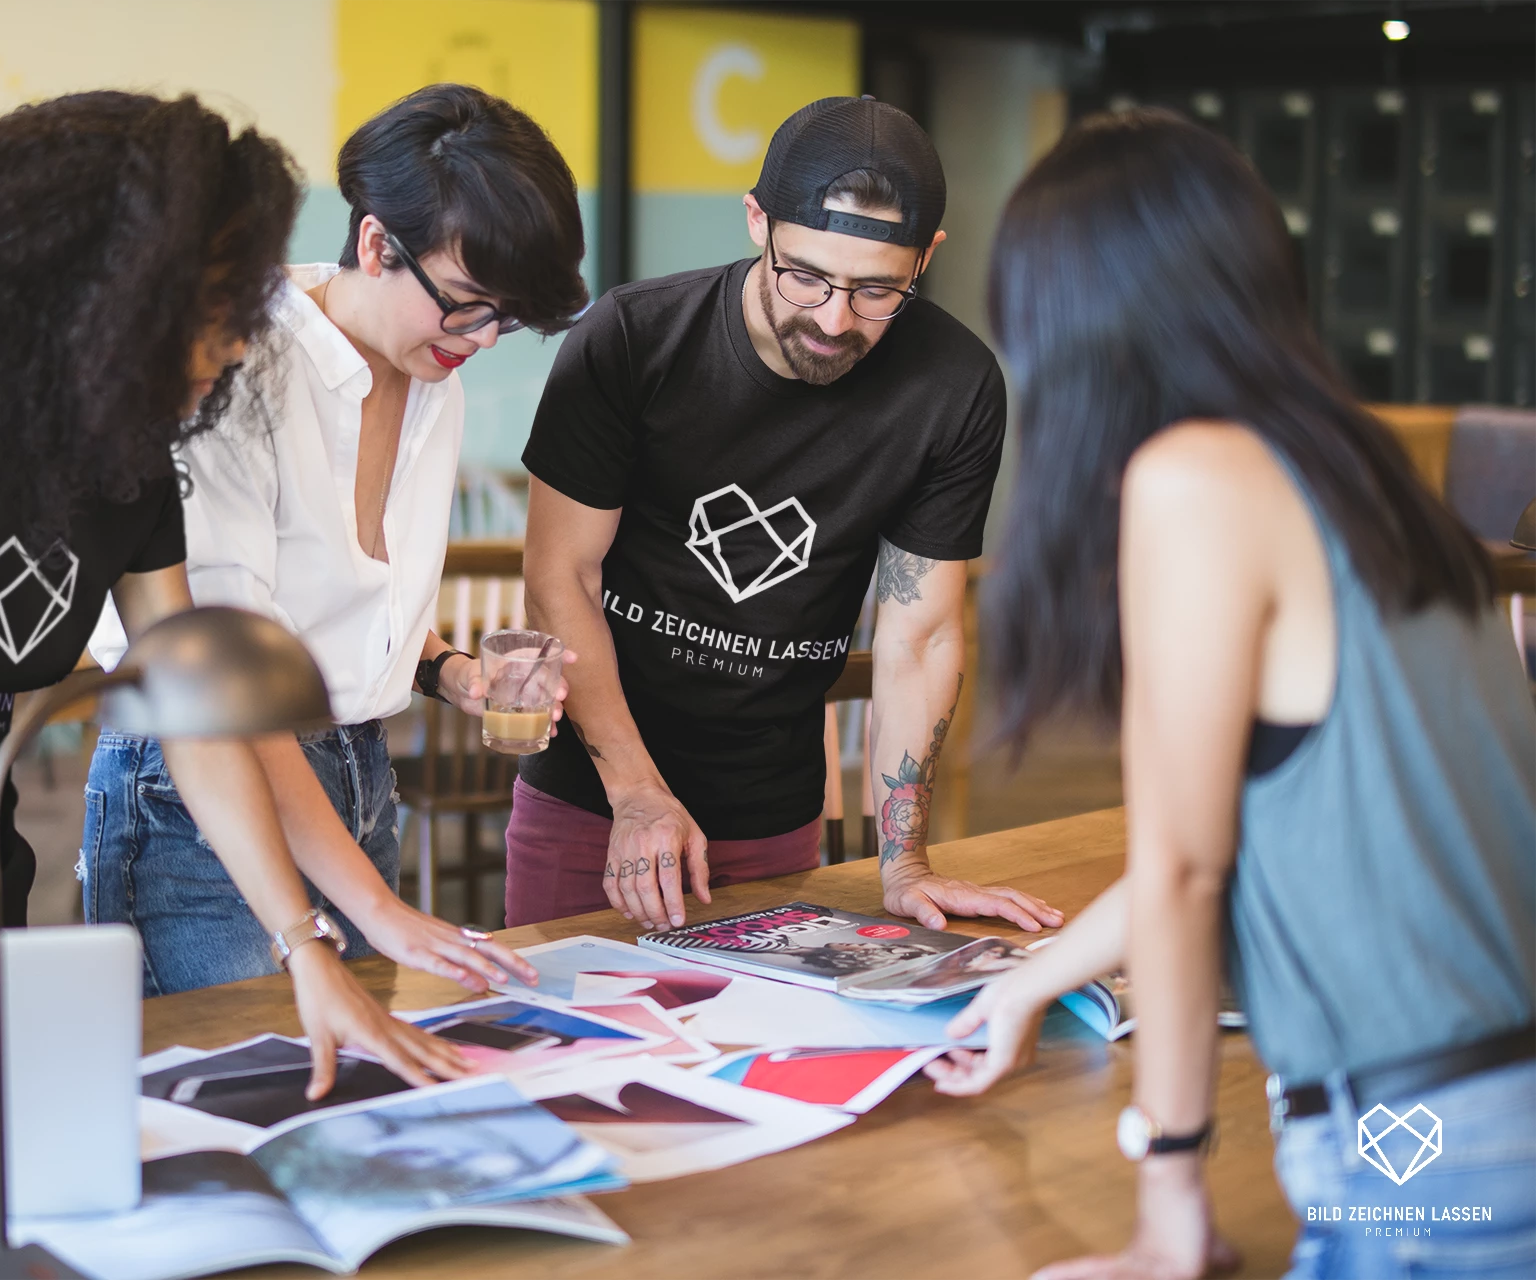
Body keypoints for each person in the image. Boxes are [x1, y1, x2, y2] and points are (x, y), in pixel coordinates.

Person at [0, 92, 467, 1093]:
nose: (238, 344)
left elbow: (197, 721)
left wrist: (306, 946)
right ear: (110, 294)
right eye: (217, 311)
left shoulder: (130, 463)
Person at [920, 110, 1536, 1280]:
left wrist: (1169, 1201)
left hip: (1424, 1146)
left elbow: (1187, 872)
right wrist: (1030, 985)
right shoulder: (1355, 471)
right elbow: (1221, 843)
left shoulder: (1191, 478)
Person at [510, 95, 1064, 936]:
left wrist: (903, 859)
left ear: (928, 257)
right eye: (804, 275)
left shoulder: (953, 388)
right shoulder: (633, 338)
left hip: (774, 815)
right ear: (756, 222)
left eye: (880, 289)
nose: (835, 320)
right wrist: (636, 796)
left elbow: (920, 636)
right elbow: (561, 580)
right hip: (593, 802)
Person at [83, 83, 586, 996]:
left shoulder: (433, 371)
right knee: (232, 1094)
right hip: (198, 787)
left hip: (357, 767)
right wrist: (382, 911)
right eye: (468, 302)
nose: (482, 338)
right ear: (376, 243)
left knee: (346, 1097)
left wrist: (452, 673)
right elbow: (229, 684)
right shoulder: (237, 368)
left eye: (505, 318)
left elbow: (344, 603)